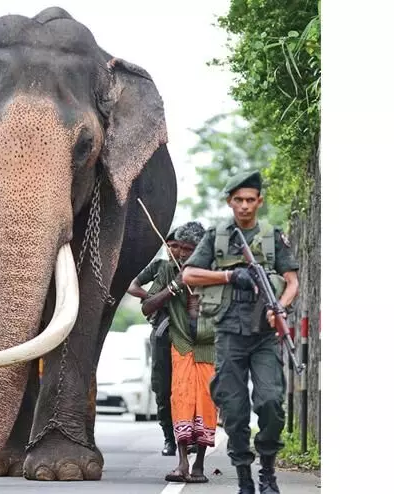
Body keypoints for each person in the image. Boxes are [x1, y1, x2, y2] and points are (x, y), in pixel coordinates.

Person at [182, 170, 300, 494]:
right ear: (230, 202)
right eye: (239, 200)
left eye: (251, 200)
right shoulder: (217, 237)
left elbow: (292, 283)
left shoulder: (272, 237)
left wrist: (280, 308)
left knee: (271, 403)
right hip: (229, 333)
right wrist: (230, 277)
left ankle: (268, 473)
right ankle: (245, 477)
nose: (245, 206)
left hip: (263, 335)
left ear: (260, 202)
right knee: (234, 410)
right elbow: (189, 275)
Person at [140, 221, 216, 484]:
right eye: (180, 248)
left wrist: (202, 308)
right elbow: (147, 307)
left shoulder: (216, 271)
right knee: (180, 398)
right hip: (181, 343)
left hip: (208, 346)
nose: (182, 253)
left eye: (189, 249)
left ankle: (199, 466)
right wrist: (174, 287)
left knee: (206, 402)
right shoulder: (168, 268)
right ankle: (182, 463)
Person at [127, 227, 181, 456]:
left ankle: (193, 435)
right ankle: (169, 438)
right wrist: (152, 297)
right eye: (171, 245)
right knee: (162, 387)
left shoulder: (191, 269)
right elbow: (132, 286)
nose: (175, 251)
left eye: (180, 246)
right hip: (161, 331)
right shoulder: (159, 267)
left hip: (188, 332)